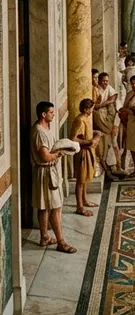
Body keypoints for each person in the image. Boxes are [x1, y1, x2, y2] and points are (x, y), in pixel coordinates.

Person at [32, 102, 76, 253]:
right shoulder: (39, 131)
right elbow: (45, 156)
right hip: (46, 172)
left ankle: (44, 237)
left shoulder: (45, 127)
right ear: (43, 115)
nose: (53, 114)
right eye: (51, 112)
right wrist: (59, 153)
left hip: (49, 171)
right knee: (55, 208)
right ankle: (61, 242)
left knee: (45, 206)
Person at [71, 98, 101, 215]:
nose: (93, 110)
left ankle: (84, 200)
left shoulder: (87, 118)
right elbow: (73, 138)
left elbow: (87, 133)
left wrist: (95, 134)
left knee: (85, 180)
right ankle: (79, 207)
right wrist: (89, 142)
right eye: (92, 108)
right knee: (80, 180)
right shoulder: (79, 120)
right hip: (82, 152)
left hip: (88, 151)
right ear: (86, 109)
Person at [93, 72, 123, 178]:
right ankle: (111, 169)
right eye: (103, 81)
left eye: (107, 81)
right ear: (99, 81)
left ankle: (117, 167)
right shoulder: (96, 90)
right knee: (108, 144)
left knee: (114, 144)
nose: (105, 83)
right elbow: (95, 107)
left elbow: (114, 100)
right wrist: (103, 104)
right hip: (101, 122)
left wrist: (115, 125)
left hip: (109, 122)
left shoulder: (110, 91)